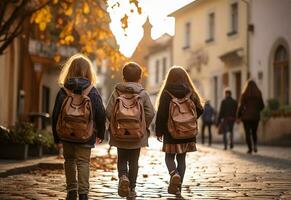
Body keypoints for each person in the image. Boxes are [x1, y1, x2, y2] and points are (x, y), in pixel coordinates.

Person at [52, 54, 106, 200]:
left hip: (66, 134)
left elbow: (56, 115)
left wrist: (56, 138)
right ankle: (83, 194)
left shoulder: (64, 91)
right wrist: (101, 133)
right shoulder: (92, 91)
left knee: (69, 161)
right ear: (88, 72)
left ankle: (71, 191)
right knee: (83, 162)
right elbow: (101, 113)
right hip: (86, 135)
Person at [106, 62, 155, 198]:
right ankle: (132, 188)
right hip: (137, 135)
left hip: (119, 133)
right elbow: (150, 113)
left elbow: (109, 111)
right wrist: (143, 126)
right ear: (140, 78)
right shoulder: (143, 94)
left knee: (121, 158)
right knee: (134, 161)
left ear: (124, 77)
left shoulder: (117, 92)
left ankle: (123, 177)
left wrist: (116, 125)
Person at [155, 66, 203, 196]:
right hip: (187, 133)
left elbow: (161, 114)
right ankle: (178, 188)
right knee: (182, 160)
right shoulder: (190, 92)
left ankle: (173, 174)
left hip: (171, 133)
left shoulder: (166, 94)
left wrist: (159, 131)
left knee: (169, 157)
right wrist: (188, 120)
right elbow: (200, 109)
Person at [237, 80, 264, 154]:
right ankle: (255, 145)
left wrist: (238, 116)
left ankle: (250, 148)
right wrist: (257, 110)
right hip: (256, 117)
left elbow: (241, 106)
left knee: (247, 133)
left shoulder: (244, 94)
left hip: (246, 117)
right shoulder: (258, 93)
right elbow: (262, 106)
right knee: (254, 132)